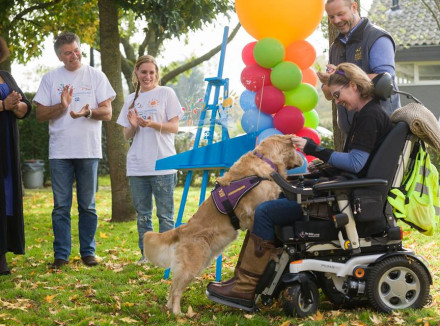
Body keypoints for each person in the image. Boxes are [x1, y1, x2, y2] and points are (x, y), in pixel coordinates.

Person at [206, 62, 393, 310]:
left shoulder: (370, 116)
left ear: (353, 85)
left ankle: (244, 288)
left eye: (337, 95)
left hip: (345, 201)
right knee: (276, 203)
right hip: (345, 193)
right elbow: (358, 163)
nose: (337, 101)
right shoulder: (367, 114)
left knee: (265, 211)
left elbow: (357, 164)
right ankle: (246, 280)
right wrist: (324, 168)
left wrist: (315, 150)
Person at [33, 32, 116, 269]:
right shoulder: (50, 78)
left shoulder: (95, 76)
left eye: (76, 50)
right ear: (60, 56)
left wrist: (86, 113)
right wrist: (62, 105)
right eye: (68, 52)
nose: (74, 55)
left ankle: (88, 252)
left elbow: (108, 112)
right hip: (60, 152)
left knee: (87, 205)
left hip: (88, 150)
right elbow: (39, 114)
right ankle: (61, 255)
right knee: (61, 206)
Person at [116, 55, 182, 263]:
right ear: (136, 72)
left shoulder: (166, 93)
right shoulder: (130, 100)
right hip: (137, 165)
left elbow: (174, 127)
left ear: (157, 74)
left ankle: (166, 256)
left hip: (163, 163)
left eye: (151, 72)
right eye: (143, 72)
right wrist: (134, 125)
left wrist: (152, 124)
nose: (148, 76)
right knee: (143, 215)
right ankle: (147, 256)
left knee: (165, 215)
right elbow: (126, 135)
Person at [317, 0, 400, 136]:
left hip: (381, 131)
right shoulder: (335, 47)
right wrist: (329, 81)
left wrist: (340, 75)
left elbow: (385, 82)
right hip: (351, 134)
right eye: (332, 17)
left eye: (340, 14)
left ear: (354, 7)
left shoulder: (378, 38)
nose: (336, 20)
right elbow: (328, 95)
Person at [0, 36, 32, 275]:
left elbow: (25, 107)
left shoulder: (6, 75)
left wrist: (18, 106)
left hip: (7, 148)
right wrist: (4, 105)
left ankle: (2, 256)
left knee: (6, 200)